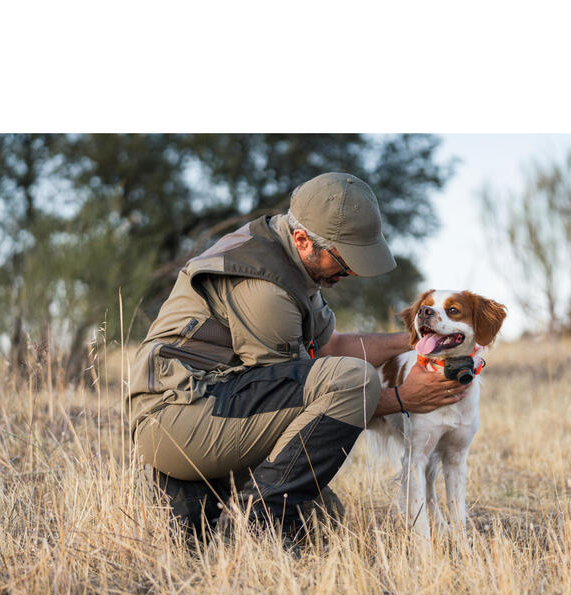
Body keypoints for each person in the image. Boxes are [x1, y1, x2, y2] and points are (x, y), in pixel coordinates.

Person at [129, 172, 467, 538]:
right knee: (356, 380)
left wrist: (420, 337)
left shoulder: (286, 257)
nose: (352, 272)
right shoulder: (265, 287)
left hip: (215, 406)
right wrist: (401, 399)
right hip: (181, 419)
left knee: (323, 517)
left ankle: (200, 492)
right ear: (304, 240)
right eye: (346, 260)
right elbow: (298, 393)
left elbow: (332, 347)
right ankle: (255, 526)